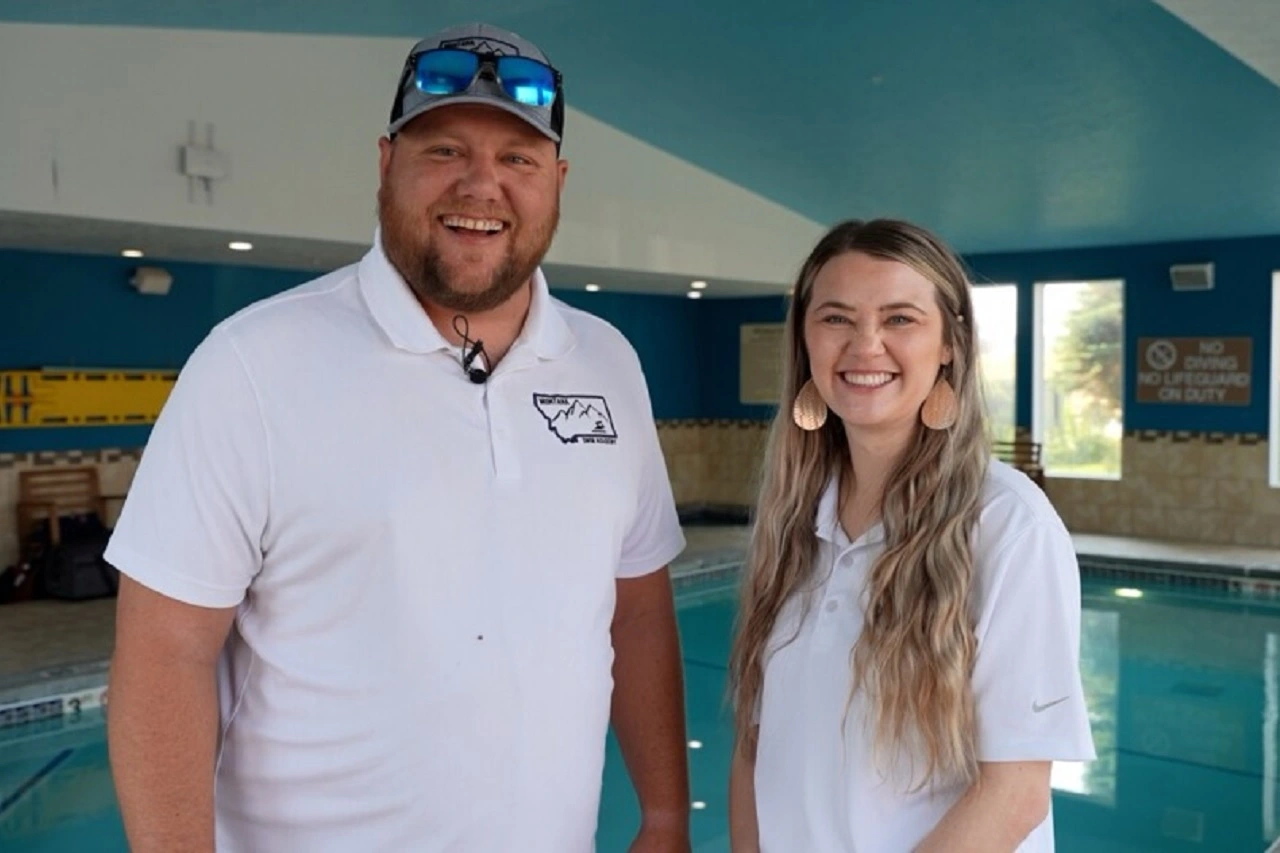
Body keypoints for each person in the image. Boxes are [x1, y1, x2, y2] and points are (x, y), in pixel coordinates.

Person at [104, 22, 691, 853]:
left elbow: (635, 611)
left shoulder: (607, 363)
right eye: (445, 150)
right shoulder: (254, 363)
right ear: (386, 164)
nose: (481, 186)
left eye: (517, 160)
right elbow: (165, 651)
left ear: (557, 182)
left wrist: (665, 816)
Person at [727, 219, 1095, 852]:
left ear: (950, 344)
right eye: (836, 318)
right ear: (805, 341)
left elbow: (1015, 793)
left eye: (900, 319)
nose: (865, 345)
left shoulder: (1007, 524)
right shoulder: (795, 518)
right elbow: (756, 747)